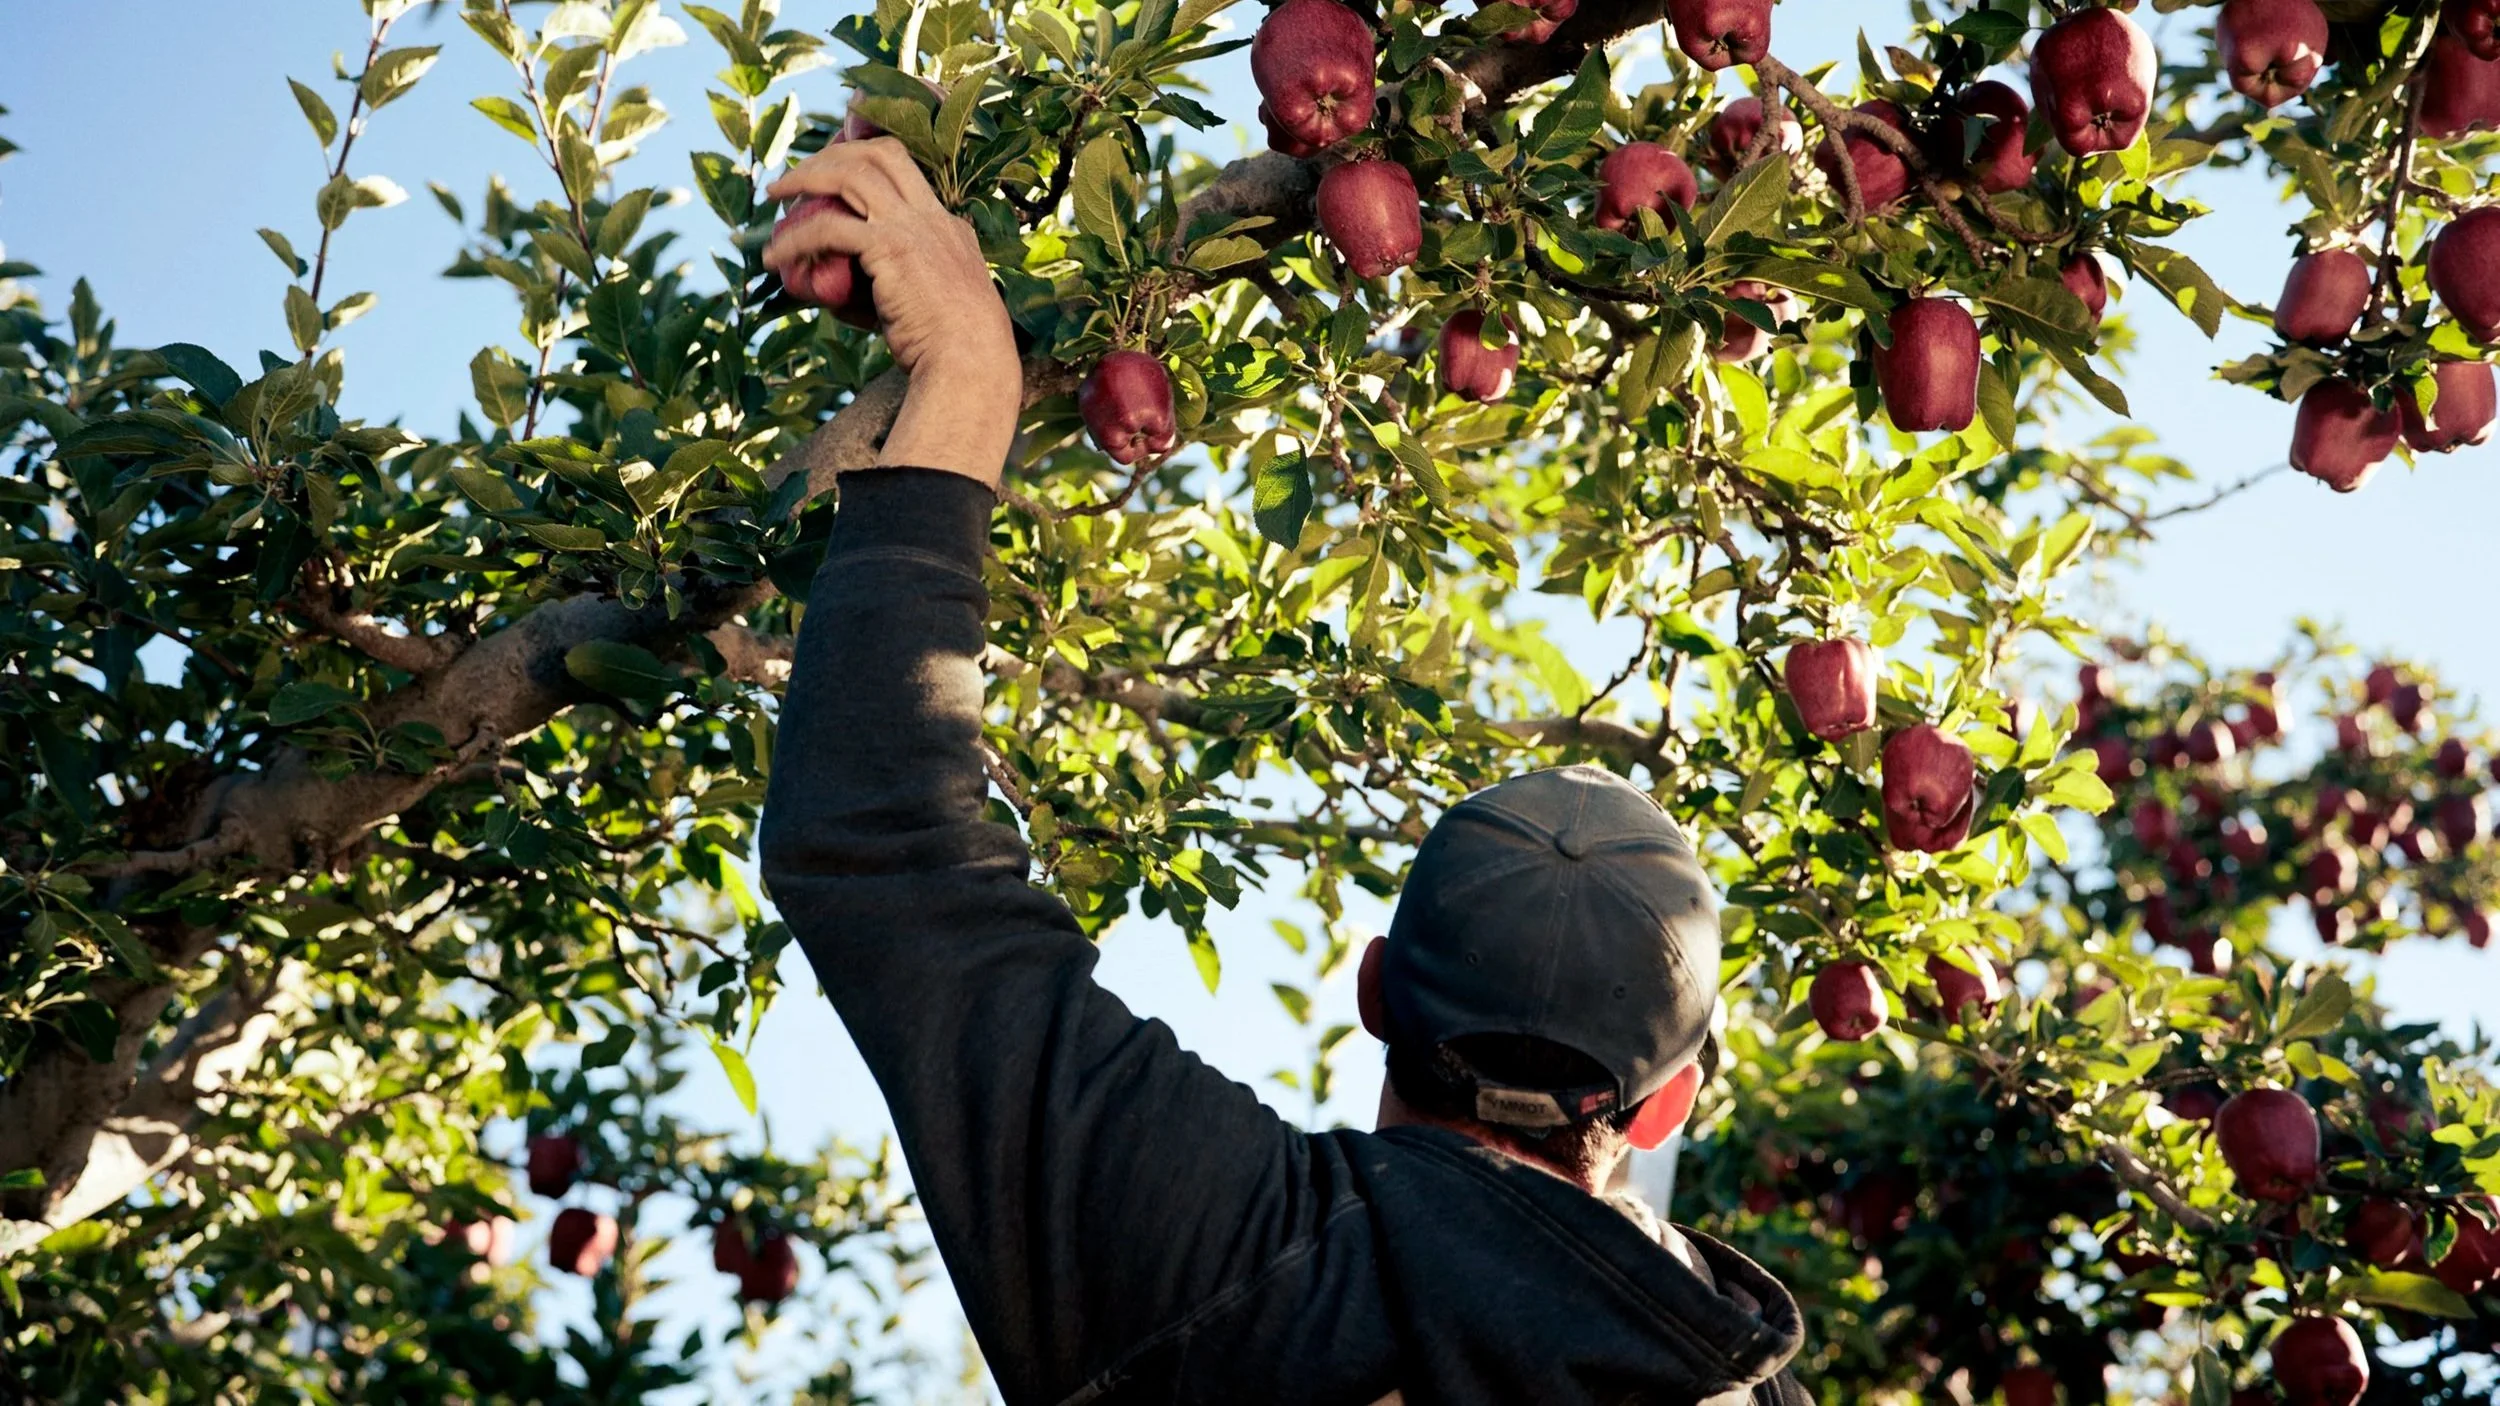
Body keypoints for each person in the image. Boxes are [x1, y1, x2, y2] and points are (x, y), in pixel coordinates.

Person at [756, 136, 1812, 1406]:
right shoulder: (1732, 1384)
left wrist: (969, 367)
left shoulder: (1238, 1258)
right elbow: (881, 850)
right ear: (1664, 1106)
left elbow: (887, 851)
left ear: (1375, 987)